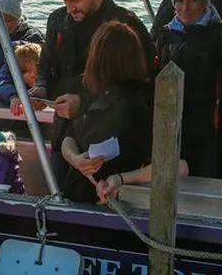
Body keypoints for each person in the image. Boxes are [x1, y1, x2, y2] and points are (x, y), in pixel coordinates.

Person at [27, 0, 155, 176]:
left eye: (75, 1)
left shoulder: (127, 27)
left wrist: (83, 103)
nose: (69, 9)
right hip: (64, 135)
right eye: (65, 2)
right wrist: (41, 88)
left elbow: (142, 88)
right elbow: (46, 63)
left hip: (110, 142)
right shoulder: (57, 21)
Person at [58, 22, 155, 204]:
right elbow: (69, 136)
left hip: (109, 200)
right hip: (80, 195)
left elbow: (158, 163)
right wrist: (76, 159)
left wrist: (119, 179)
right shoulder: (94, 94)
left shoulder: (136, 107)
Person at [155, 0, 222, 178]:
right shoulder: (165, 34)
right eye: (180, 0)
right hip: (170, 122)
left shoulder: (219, 37)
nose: (185, 8)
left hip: (205, 128)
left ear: (205, 2)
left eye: (193, 0)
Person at [0, 42, 41, 113]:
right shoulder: (9, 70)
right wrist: (14, 96)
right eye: (25, 71)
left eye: (37, 70)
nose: (32, 75)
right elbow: (1, 83)